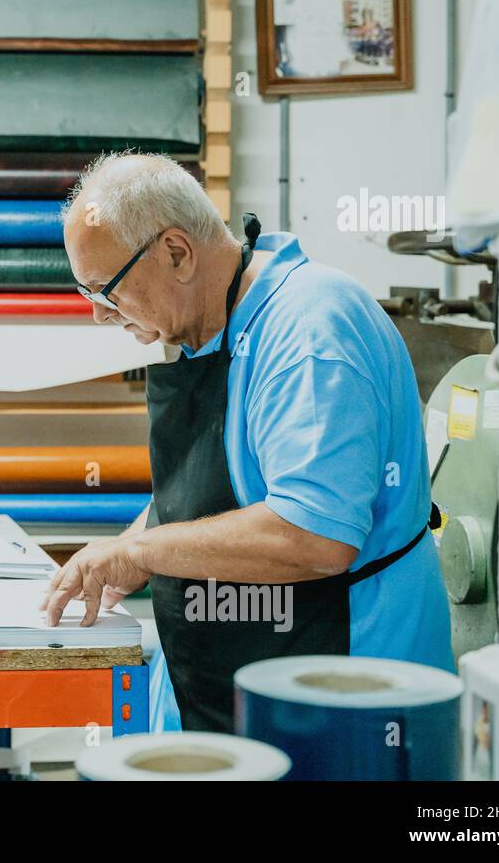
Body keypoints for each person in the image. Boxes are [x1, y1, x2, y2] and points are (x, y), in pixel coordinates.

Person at [46, 152, 453, 733]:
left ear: (177, 253)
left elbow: (313, 536)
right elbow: (212, 489)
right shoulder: (212, 328)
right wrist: (124, 553)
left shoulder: (309, 332)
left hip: (344, 691)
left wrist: (143, 552)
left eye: (106, 291)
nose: (99, 315)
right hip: (241, 668)